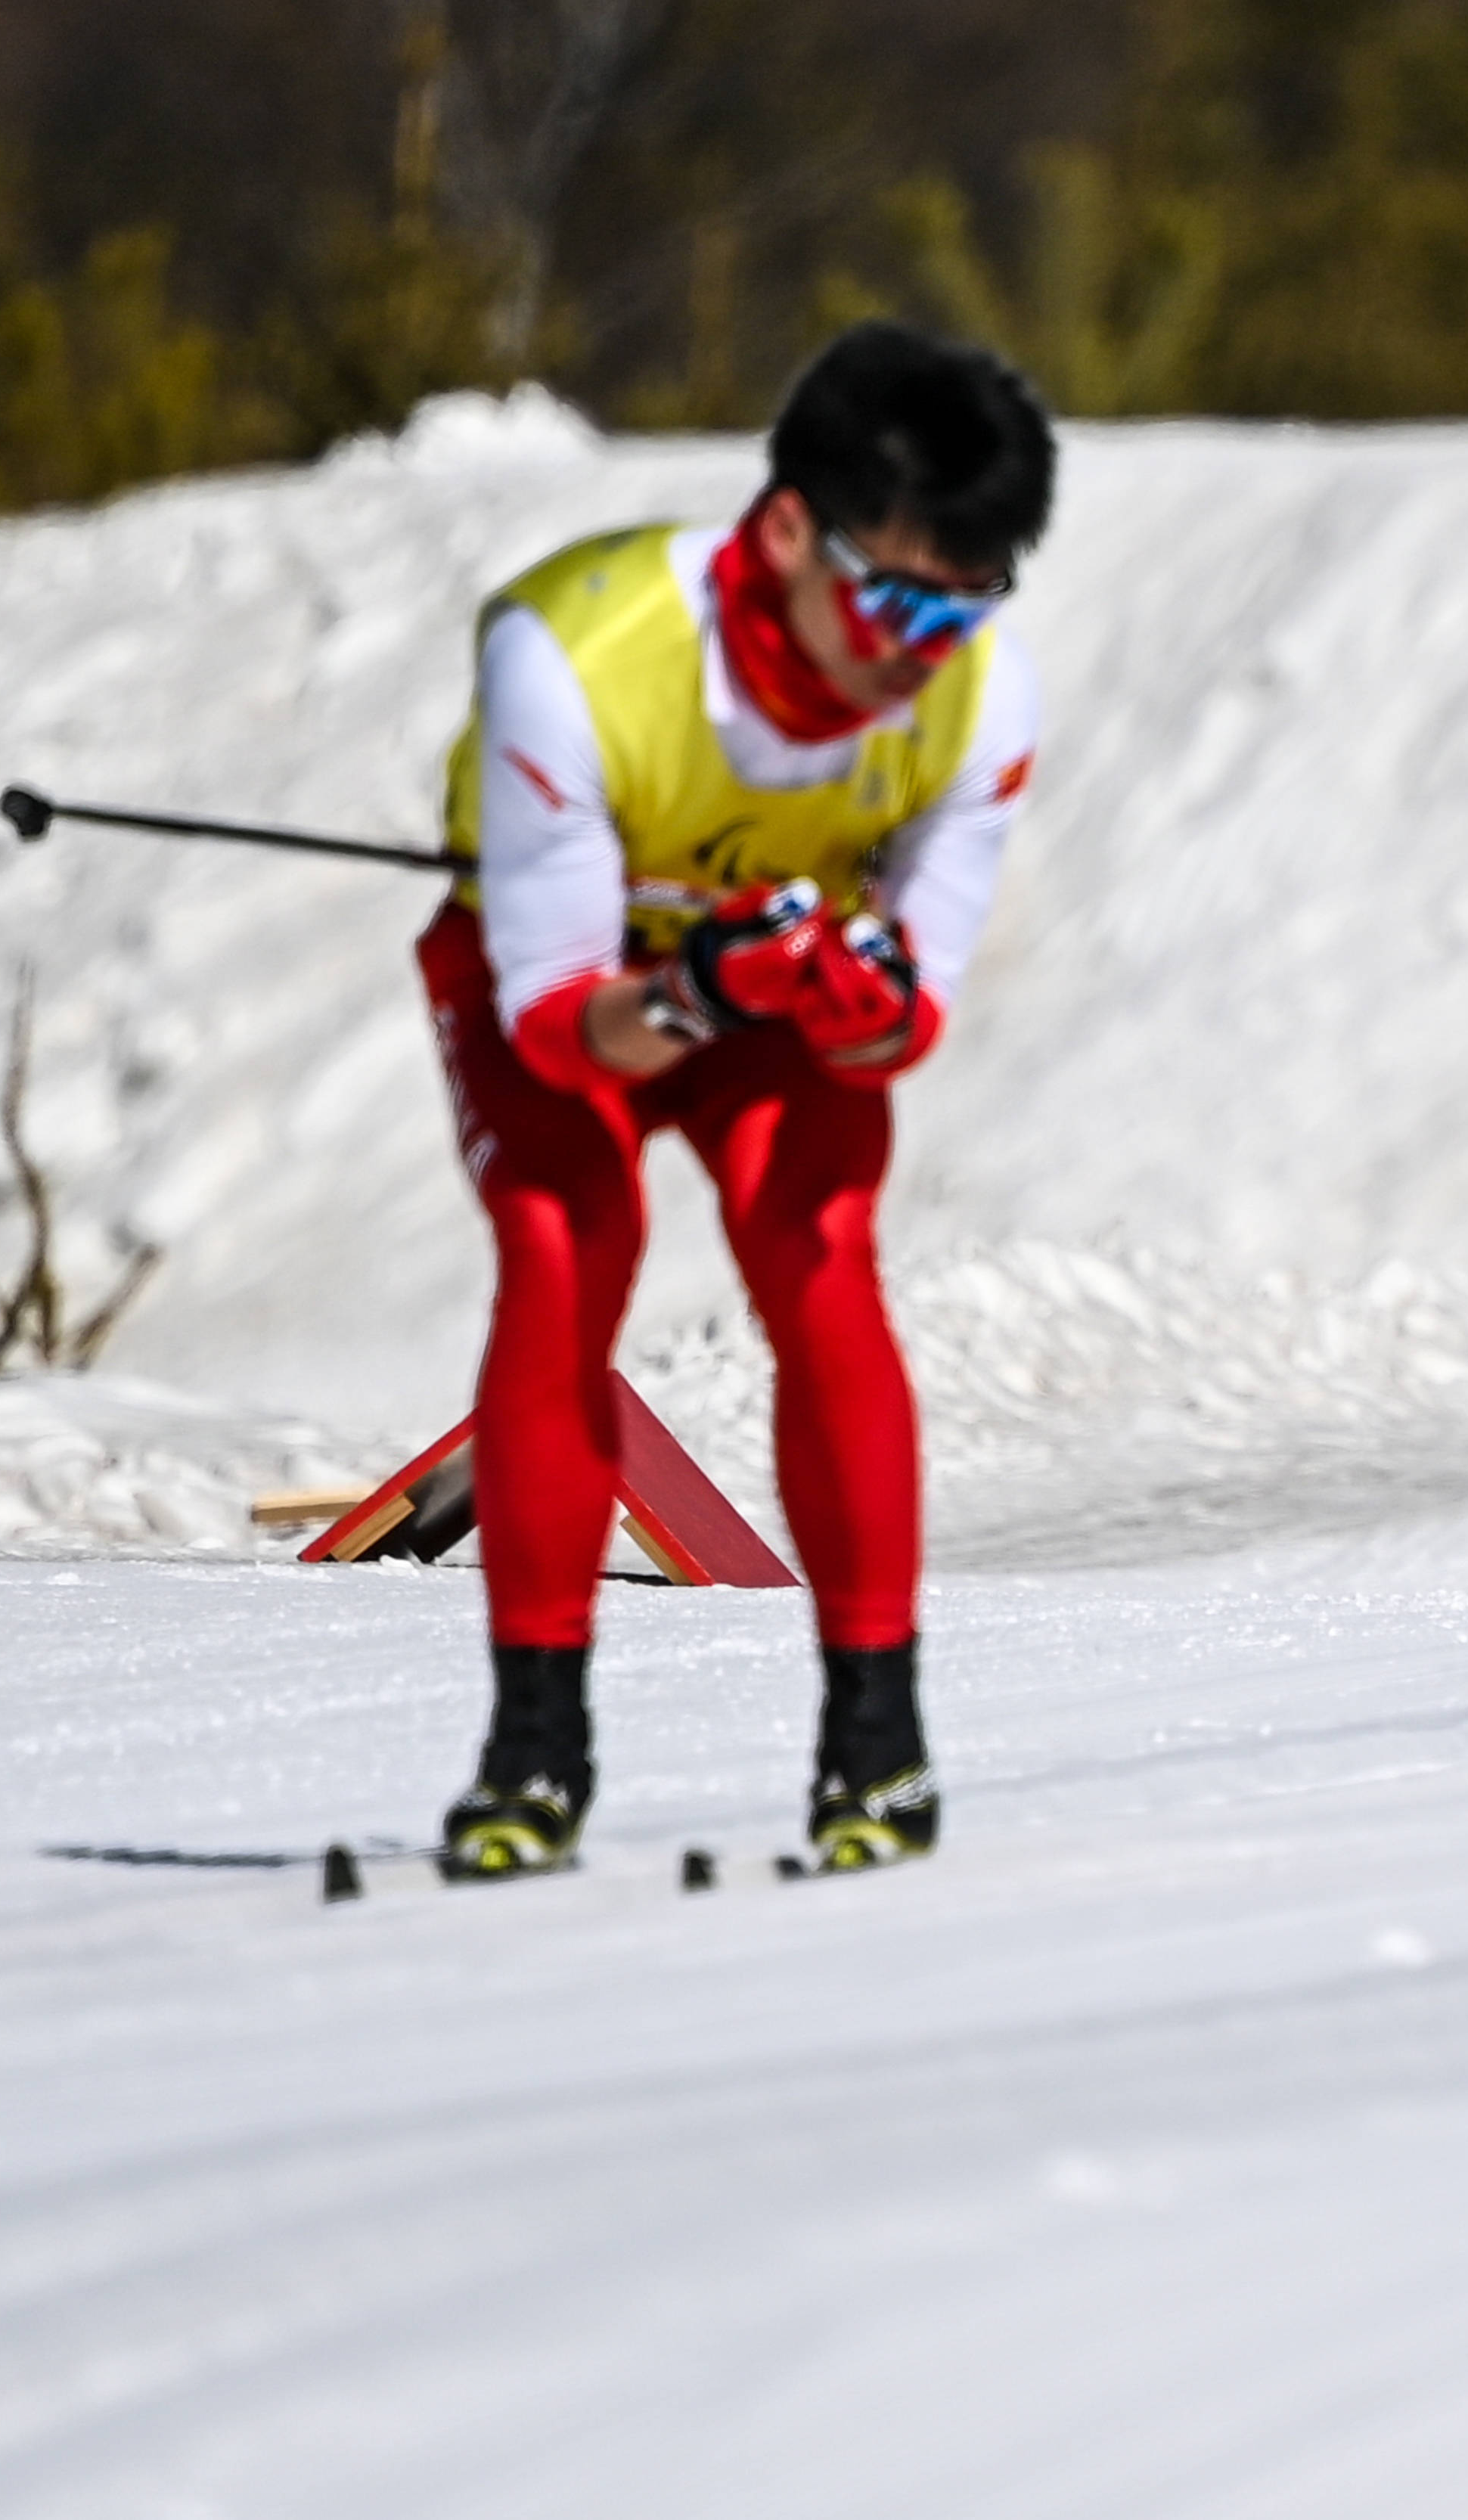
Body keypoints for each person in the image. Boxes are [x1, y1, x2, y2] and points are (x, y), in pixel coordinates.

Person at [419, 321, 1054, 1873]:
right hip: (569, 982)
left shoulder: (980, 702)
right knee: (567, 1253)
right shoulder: (572, 656)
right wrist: (703, 984)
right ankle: (534, 1751)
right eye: (895, 599)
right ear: (787, 532)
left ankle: (876, 1740)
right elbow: (567, 1030)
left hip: (764, 983)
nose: (921, 650)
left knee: (822, 1257)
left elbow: (901, 1026)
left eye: (964, 609)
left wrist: (850, 999)